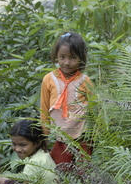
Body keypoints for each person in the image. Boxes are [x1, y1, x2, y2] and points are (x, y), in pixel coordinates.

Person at [40, 31, 93, 167]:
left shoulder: (85, 81)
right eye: (62, 57)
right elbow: (44, 109)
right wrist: (44, 136)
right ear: (56, 56)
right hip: (60, 138)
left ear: (81, 58)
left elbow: (95, 110)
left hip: (83, 138)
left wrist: (96, 135)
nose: (67, 63)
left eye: (73, 58)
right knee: (62, 172)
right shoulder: (49, 79)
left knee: (85, 172)